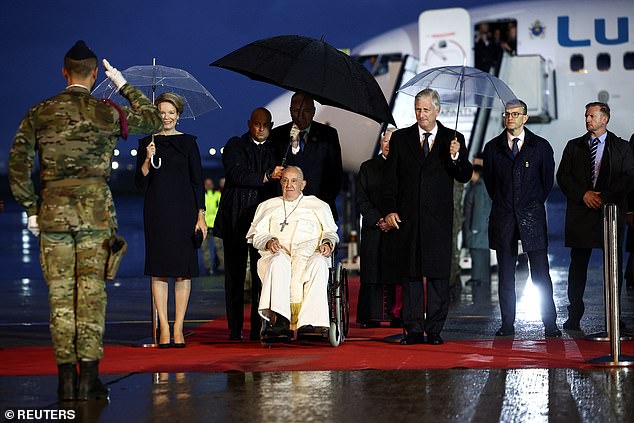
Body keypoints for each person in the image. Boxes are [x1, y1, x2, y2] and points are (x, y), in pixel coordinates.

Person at [8, 40, 162, 400]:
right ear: (95, 74)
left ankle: (65, 381)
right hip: (95, 217)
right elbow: (152, 119)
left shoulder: (40, 112)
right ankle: (90, 379)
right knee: (91, 296)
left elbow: (17, 165)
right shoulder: (107, 112)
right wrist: (122, 83)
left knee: (60, 299)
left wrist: (31, 208)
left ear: (64, 72)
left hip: (53, 217)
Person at [383, 88, 473, 345]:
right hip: (407, 219)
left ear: (438, 110)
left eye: (426, 110)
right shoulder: (400, 139)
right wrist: (389, 210)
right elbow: (391, 179)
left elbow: (464, 175)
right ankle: (412, 330)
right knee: (410, 275)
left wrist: (455, 156)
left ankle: (434, 330)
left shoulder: (453, 138)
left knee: (437, 276)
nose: (421, 115)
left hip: (438, 221)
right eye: (418, 110)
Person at [482, 99, 561, 338]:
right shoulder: (493, 148)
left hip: (532, 218)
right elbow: (490, 183)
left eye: (516, 114)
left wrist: (530, 204)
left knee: (540, 274)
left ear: (525, 118)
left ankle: (550, 323)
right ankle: (507, 324)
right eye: (507, 114)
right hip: (504, 218)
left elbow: (546, 182)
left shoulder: (541, 147)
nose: (511, 118)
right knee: (506, 275)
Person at [135, 92, 206, 349]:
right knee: (159, 270)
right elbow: (139, 182)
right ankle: (163, 327)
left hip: (184, 212)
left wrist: (201, 215)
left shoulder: (189, 143)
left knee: (183, 272)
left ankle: (179, 328)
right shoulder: (147, 142)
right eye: (162, 112)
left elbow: (197, 181)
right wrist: (146, 158)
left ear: (178, 114)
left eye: (170, 112)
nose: (166, 117)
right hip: (156, 212)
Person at [556, 102, 634, 331]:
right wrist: (583, 195)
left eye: (592, 116)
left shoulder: (621, 147)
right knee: (577, 267)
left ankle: (614, 316)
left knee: (613, 268)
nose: (588, 119)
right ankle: (574, 314)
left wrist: (604, 196)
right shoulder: (574, 146)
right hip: (581, 215)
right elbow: (563, 176)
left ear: (604, 119)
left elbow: (629, 177)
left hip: (609, 214)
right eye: (586, 115)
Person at [214, 108, 284, 341]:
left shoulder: (277, 149)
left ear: (271, 125)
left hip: (264, 224)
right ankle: (234, 330)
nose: (261, 128)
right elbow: (237, 175)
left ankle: (257, 328)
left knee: (260, 277)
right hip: (235, 220)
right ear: (249, 124)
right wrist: (266, 176)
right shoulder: (235, 145)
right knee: (233, 279)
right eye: (257, 124)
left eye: (265, 124)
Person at [247, 166, 339, 337]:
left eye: (294, 181)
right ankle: (280, 320)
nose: (289, 185)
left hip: (310, 254)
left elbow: (330, 233)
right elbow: (256, 236)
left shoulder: (318, 205)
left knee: (319, 263)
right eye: (285, 180)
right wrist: (268, 242)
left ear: (302, 184)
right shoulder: (267, 206)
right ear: (281, 183)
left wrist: (327, 243)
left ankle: (312, 323)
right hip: (277, 254)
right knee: (278, 262)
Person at [270, 92, 343, 221]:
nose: (301, 116)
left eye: (306, 111)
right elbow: (274, 175)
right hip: (286, 212)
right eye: (297, 110)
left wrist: (316, 205)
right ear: (290, 110)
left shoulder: (328, 135)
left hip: (319, 211)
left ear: (314, 111)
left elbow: (335, 176)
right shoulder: (278, 135)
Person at [356, 128, 401, 327]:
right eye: (386, 140)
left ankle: (396, 315)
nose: (388, 145)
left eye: (393, 142)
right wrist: (378, 220)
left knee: (395, 271)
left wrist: (392, 220)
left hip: (397, 228)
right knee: (372, 270)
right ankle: (370, 316)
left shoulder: (405, 169)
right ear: (381, 141)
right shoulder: (367, 167)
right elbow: (362, 199)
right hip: (373, 228)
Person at [463, 163, 492, 286]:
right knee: (481, 252)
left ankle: (478, 277)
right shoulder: (480, 185)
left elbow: (479, 209)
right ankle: (481, 277)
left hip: (477, 227)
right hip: (481, 227)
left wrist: (474, 227)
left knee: (477, 252)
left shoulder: (479, 187)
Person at [202, 177, 222, 275]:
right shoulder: (202, 196)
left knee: (219, 246)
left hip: (215, 225)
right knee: (204, 248)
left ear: (213, 185)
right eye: (207, 184)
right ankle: (208, 267)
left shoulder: (218, 195)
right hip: (204, 225)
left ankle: (222, 267)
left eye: (210, 184)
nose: (209, 186)